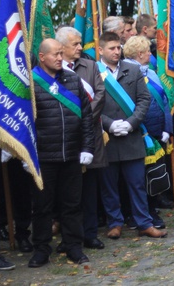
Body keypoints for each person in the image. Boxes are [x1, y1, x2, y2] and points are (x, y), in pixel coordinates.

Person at [28, 39, 95, 267]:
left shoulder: (73, 79)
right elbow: (25, 122)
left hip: (72, 155)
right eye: (55, 54)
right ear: (42, 56)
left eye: (60, 53)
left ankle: (73, 246)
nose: (59, 58)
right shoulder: (30, 83)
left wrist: (87, 148)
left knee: (72, 205)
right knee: (42, 207)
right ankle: (41, 249)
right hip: (44, 157)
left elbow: (87, 118)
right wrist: (26, 154)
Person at [97, 31, 166, 240]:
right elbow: (90, 103)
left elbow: (144, 100)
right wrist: (109, 124)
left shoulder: (132, 69)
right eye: (112, 48)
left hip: (131, 135)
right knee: (109, 185)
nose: (117, 51)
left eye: (119, 47)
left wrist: (131, 123)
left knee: (137, 183)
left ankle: (144, 222)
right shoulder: (93, 71)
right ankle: (115, 222)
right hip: (107, 138)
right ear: (101, 50)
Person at [55, 26, 107, 250]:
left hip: (89, 136)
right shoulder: (51, 70)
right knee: (67, 192)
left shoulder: (90, 65)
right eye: (75, 44)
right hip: (64, 139)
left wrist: (83, 119)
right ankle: (70, 236)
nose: (80, 47)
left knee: (89, 189)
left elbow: (100, 94)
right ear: (61, 47)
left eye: (79, 43)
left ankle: (90, 233)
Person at [122, 36, 173, 227]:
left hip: (157, 135)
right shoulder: (125, 74)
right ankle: (138, 214)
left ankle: (151, 210)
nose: (151, 55)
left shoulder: (151, 73)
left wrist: (166, 129)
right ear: (139, 54)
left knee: (154, 176)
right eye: (148, 52)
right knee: (138, 180)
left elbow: (164, 101)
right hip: (139, 135)